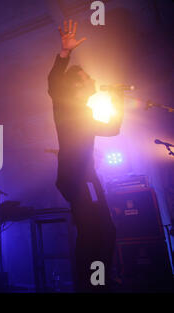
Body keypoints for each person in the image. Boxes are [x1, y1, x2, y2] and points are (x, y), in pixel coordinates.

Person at [48, 20, 124, 292]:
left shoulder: (85, 112)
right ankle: (94, 284)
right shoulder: (66, 106)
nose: (92, 80)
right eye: (87, 77)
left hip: (85, 176)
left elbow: (113, 129)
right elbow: (55, 85)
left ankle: (95, 281)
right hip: (78, 177)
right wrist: (65, 54)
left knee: (102, 230)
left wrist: (118, 100)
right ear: (77, 86)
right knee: (96, 230)